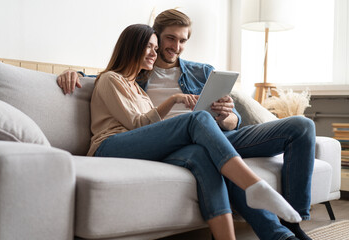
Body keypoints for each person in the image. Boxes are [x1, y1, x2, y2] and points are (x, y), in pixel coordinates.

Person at [57, 10, 315, 240]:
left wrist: (225, 115)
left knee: (300, 126)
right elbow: (110, 80)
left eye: (182, 41)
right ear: (154, 37)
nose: (175, 47)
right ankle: (255, 188)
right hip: (161, 138)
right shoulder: (133, 77)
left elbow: (234, 122)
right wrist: (74, 73)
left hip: (210, 136)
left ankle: (284, 230)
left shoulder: (195, 73)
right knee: (197, 124)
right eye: (169, 39)